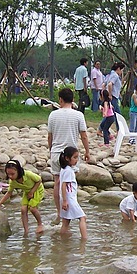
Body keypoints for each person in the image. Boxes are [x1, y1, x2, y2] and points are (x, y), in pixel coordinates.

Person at [47, 88, 92, 219]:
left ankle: (59, 212)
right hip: (71, 154)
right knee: (70, 182)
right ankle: (71, 208)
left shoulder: (53, 115)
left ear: (60, 100)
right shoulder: (78, 115)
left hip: (56, 152)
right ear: (73, 100)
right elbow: (84, 135)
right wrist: (87, 151)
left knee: (57, 182)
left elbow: (50, 136)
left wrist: (51, 150)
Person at [0, 160, 45, 235]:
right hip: (27, 192)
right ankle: (26, 230)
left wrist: (32, 192)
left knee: (32, 208)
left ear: (18, 171)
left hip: (37, 189)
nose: (10, 176)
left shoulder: (28, 174)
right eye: (8, 174)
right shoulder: (12, 182)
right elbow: (9, 193)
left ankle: (40, 224)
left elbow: (39, 180)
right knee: (23, 209)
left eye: (12, 174)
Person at [58, 146, 87, 239]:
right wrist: (66, 201)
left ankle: (62, 241)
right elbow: (64, 185)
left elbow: (60, 183)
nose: (76, 160)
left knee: (66, 222)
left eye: (77, 157)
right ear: (67, 158)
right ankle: (84, 239)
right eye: (74, 157)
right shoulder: (68, 171)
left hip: (65, 198)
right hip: (69, 199)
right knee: (82, 217)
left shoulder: (64, 169)